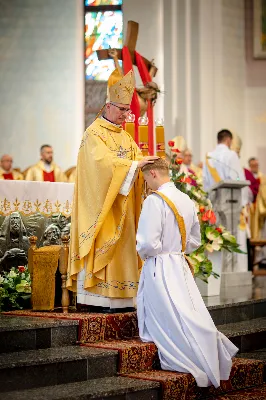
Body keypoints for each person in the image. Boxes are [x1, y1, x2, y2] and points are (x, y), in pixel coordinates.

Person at [136, 158, 238, 388]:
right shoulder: (187, 199)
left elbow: (147, 244)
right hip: (179, 264)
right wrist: (176, 250)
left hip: (159, 265)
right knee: (185, 311)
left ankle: (186, 352)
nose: (146, 185)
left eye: (145, 179)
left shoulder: (154, 201)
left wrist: (151, 253)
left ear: (153, 173)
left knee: (169, 316)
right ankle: (205, 348)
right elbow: (194, 241)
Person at [66, 68, 157, 312]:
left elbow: (136, 163)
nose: (126, 115)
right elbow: (100, 167)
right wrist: (133, 166)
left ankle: (126, 298)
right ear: (108, 106)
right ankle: (99, 299)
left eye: (128, 110)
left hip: (124, 209)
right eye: (121, 110)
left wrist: (147, 171)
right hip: (102, 211)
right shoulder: (93, 134)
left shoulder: (126, 138)